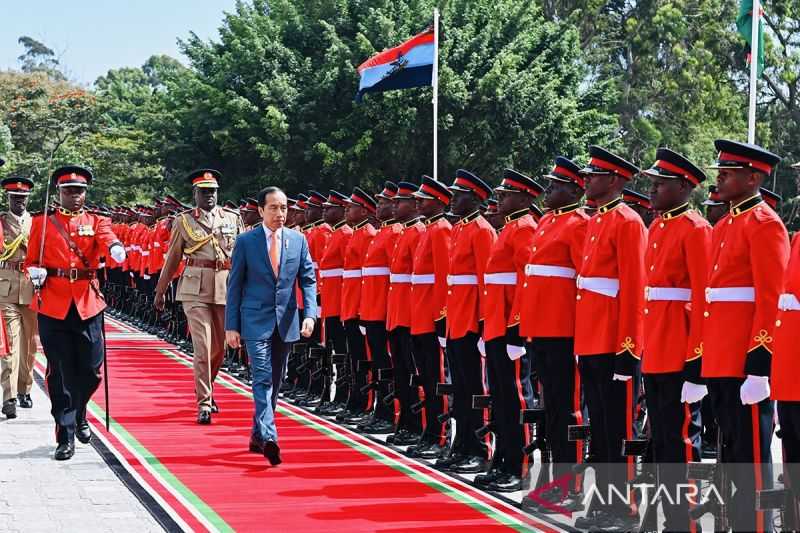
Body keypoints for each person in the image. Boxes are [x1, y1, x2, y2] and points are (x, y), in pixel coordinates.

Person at [702, 139, 789, 532]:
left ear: (754, 178)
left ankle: (756, 525)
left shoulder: (766, 225)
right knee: (729, 450)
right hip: (720, 355)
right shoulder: (725, 224)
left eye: (729, 171)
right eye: (721, 169)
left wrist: (760, 364)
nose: (720, 176)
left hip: (744, 359)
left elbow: (770, 300)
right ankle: (730, 521)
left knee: (752, 455)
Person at [25, 165, 126, 460]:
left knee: (92, 369)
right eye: (69, 191)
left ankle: (80, 409)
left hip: (87, 302)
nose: (75, 196)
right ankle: (65, 433)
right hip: (53, 303)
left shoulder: (97, 221)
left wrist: (117, 247)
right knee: (60, 372)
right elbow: (32, 257)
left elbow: (108, 239)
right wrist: (35, 271)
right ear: (59, 193)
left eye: (79, 191)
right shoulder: (42, 223)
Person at [573, 146, 646, 530]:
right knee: (600, 430)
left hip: (613, 343)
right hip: (590, 339)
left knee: (619, 431)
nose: (587, 179)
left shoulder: (628, 222)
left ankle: (626, 509)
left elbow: (634, 290)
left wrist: (628, 350)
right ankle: (604, 503)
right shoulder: (596, 221)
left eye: (595, 175)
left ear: (616, 180)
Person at [641, 148, 710, 531]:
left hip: (680, 349)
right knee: (662, 439)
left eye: (660, 184)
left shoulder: (696, 229)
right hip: (656, 345)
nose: (651, 189)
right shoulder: (659, 225)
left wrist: (696, 363)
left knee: (682, 440)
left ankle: (684, 521)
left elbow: (702, 299)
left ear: (684, 187)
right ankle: (662, 514)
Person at [224, 186, 316, 465]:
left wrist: (309, 314)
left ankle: (256, 434)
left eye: (284, 208)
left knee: (276, 381)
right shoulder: (246, 241)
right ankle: (270, 436)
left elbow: (308, 279)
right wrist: (232, 325)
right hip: (254, 320)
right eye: (274, 208)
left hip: (286, 322)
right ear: (261, 210)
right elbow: (235, 285)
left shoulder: (298, 241)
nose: (280, 214)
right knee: (262, 377)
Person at [519, 156, 588, 511]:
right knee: (550, 410)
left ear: (575, 190)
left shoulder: (578, 225)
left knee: (567, 411)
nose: (548, 190)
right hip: (541, 331)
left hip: (565, 332)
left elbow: (582, 283)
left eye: (557, 185)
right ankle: (551, 482)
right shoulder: (547, 222)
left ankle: (570, 486)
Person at [154, 169, 243, 424]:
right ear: (195, 194)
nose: (209, 196)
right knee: (202, 347)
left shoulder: (232, 218)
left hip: (224, 288)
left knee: (219, 349)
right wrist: (161, 291)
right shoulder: (183, 221)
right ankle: (204, 402)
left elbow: (241, 257)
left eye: (213, 192)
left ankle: (207, 387)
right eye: (204, 192)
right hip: (194, 288)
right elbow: (172, 259)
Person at [478, 169, 542, 492]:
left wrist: (516, 328)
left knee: (516, 397)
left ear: (525, 197)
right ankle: (503, 460)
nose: (500, 198)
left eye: (507, 194)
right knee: (501, 398)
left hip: (509, 329)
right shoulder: (508, 228)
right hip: (495, 326)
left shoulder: (526, 228)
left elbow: (525, 284)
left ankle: (520, 466)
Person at [437, 170, 496, 474]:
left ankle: (478, 447)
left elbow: (486, 282)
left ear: (474, 198)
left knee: (474, 389)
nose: (453, 199)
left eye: (459, 194)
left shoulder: (482, 230)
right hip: (456, 319)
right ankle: (461, 445)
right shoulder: (461, 228)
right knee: (460, 388)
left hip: (471, 321)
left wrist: (484, 323)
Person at [407, 176, 452, 457]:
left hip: (431, 318)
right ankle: (429, 431)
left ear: (437, 202)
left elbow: (444, 278)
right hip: (419, 316)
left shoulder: (441, 230)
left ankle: (439, 434)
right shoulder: (429, 230)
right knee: (426, 377)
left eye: (423, 199)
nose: (417, 202)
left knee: (436, 379)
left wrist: (441, 317)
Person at [357, 182, 400, 434]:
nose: (380, 206)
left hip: (385, 311)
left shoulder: (392, 232)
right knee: (378, 364)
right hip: (373, 309)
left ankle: (389, 412)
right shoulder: (384, 232)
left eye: (385, 202)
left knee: (387, 365)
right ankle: (381, 411)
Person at [386, 182, 425, 446]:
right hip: (397, 313)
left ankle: (422, 427)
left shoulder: (420, 232)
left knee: (416, 375)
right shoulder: (404, 233)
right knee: (401, 373)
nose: (393, 206)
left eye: (400, 201)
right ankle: (407, 423)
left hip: (412, 315)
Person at [0, 176, 37, 419]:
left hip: (32, 286)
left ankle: (25, 388)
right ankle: (9, 395)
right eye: (15, 198)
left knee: (31, 343)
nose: (19, 202)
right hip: (6, 286)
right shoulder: (1, 223)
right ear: (8, 198)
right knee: (9, 345)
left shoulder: (37, 223)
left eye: (23, 198)